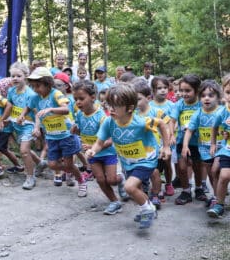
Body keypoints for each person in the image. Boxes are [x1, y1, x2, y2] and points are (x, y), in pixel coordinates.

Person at [85, 83, 171, 229]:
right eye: (109, 104)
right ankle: (148, 208)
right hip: (128, 162)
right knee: (136, 191)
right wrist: (93, 150)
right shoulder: (109, 122)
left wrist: (166, 147)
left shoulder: (140, 122)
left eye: (116, 105)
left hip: (146, 160)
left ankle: (147, 210)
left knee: (129, 187)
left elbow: (162, 124)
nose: (110, 109)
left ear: (130, 108)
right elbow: (99, 142)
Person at [21, 67, 87, 196]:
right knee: (52, 165)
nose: (35, 89)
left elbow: (66, 109)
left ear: (48, 84)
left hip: (66, 135)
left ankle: (81, 180)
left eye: (38, 86)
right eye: (33, 86)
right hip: (51, 137)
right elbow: (29, 108)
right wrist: (23, 116)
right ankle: (71, 170)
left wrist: (50, 109)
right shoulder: (36, 97)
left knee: (68, 164)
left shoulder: (56, 94)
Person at [72, 81, 127, 215]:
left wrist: (92, 146)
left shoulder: (102, 116)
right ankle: (114, 201)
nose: (78, 102)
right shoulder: (79, 114)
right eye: (75, 99)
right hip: (92, 155)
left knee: (111, 180)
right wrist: (75, 130)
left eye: (81, 98)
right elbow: (80, 130)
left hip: (107, 153)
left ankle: (121, 180)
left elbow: (109, 140)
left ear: (92, 97)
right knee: (100, 179)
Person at [2, 62, 45, 190]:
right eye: (12, 76)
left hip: (29, 125)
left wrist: (37, 128)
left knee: (23, 151)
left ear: (25, 77)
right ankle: (40, 163)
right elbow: (11, 107)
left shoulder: (31, 94)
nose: (15, 78)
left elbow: (37, 113)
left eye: (18, 76)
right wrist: (7, 119)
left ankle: (30, 177)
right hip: (17, 126)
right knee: (25, 150)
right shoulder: (11, 91)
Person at [183, 79, 223, 209]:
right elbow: (189, 130)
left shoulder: (222, 111)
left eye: (211, 95)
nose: (206, 98)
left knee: (217, 170)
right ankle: (216, 195)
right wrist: (185, 146)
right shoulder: (198, 113)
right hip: (204, 149)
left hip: (221, 147)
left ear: (218, 97)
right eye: (203, 96)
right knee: (211, 173)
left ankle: (218, 197)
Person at [133, 80, 171, 209]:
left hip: (155, 149)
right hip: (138, 149)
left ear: (148, 98)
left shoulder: (157, 112)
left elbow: (166, 126)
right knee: (138, 174)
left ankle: (155, 195)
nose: (135, 103)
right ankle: (142, 194)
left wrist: (166, 146)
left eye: (138, 99)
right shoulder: (132, 114)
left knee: (155, 172)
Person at [170, 74, 206, 205]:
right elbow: (172, 121)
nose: (183, 93)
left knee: (197, 166)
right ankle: (185, 191)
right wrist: (172, 134)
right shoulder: (179, 105)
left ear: (197, 91)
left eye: (187, 91)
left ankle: (199, 189)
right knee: (182, 167)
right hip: (181, 141)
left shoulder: (201, 105)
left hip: (198, 142)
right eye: (181, 90)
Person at [149, 76, 176, 196]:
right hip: (153, 141)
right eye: (159, 88)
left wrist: (171, 136)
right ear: (153, 90)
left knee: (167, 163)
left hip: (167, 140)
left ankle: (169, 183)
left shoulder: (171, 105)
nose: (163, 90)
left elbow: (174, 122)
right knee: (154, 165)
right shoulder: (149, 105)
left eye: (165, 87)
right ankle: (156, 186)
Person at [209, 73, 230, 218]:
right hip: (227, 149)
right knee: (224, 176)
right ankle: (219, 204)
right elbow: (214, 127)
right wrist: (213, 144)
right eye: (228, 92)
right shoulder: (222, 112)